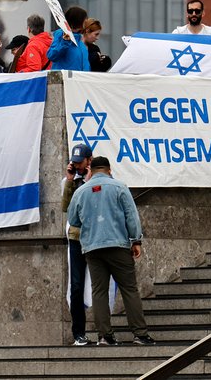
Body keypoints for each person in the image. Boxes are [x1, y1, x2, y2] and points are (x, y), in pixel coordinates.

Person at [67, 156, 155, 346]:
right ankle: (140, 334)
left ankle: (104, 336)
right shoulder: (119, 187)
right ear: (109, 170)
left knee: (99, 291)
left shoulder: (80, 191)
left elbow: (73, 220)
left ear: (92, 170)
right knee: (129, 289)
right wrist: (136, 240)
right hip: (118, 246)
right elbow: (132, 216)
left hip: (92, 248)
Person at [61, 143, 94, 346]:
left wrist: (89, 183)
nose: (77, 166)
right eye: (75, 162)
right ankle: (78, 333)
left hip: (96, 238)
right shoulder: (72, 181)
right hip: (76, 238)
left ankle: (105, 332)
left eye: (80, 163)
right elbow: (67, 207)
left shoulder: (99, 179)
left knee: (100, 285)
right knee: (76, 285)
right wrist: (70, 180)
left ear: (89, 161)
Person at [47, 6, 90, 71]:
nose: (87, 22)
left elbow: (85, 65)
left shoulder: (80, 42)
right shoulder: (61, 35)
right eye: (85, 20)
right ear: (78, 20)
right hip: (64, 77)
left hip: (78, 77)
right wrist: (64, 42)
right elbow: (51, 55)